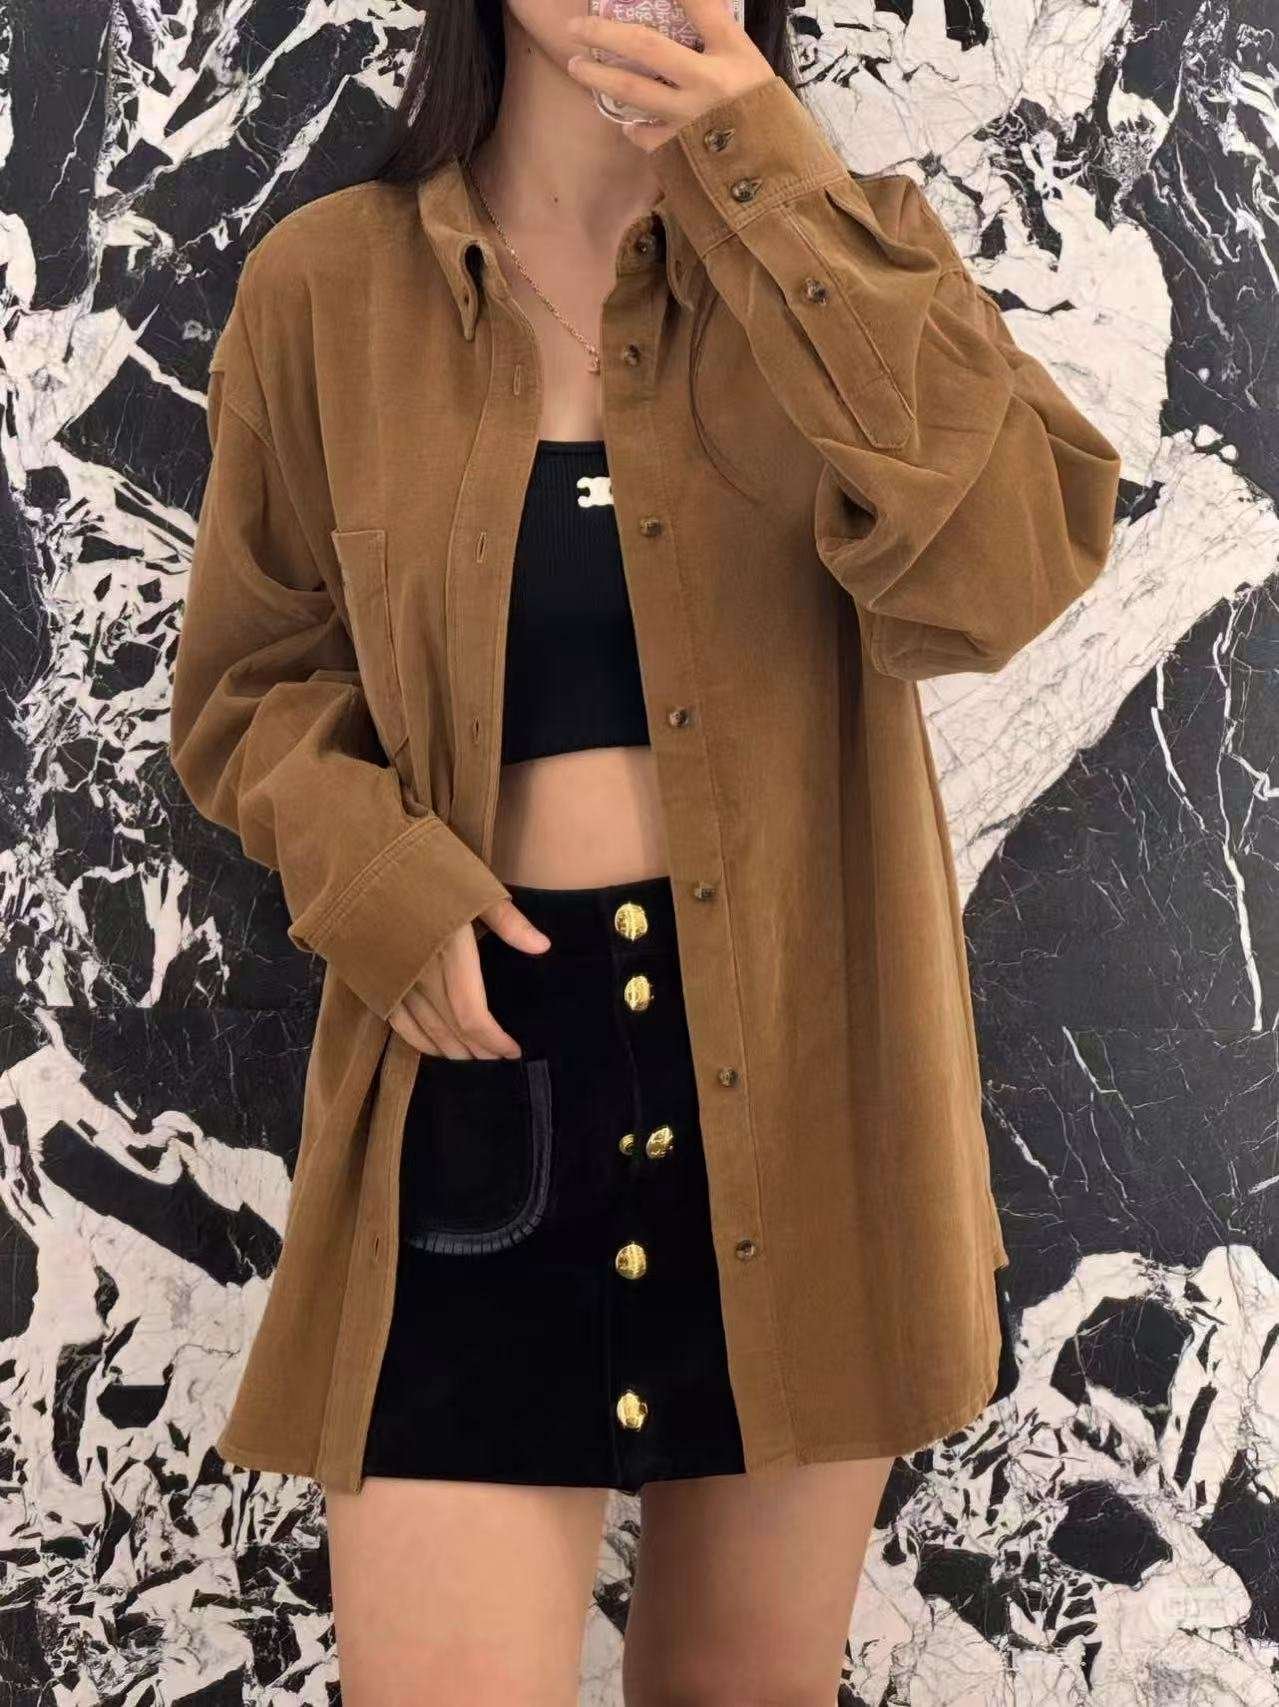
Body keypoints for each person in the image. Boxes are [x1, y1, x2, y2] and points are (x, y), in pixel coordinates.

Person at [168, 0, 1122, 1698]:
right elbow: (250, 684)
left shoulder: (854, 255)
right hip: (474, 1073)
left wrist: (768, 181)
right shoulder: (328, 288)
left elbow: (1006, 570)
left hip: (804, 1092)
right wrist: (381, 884)